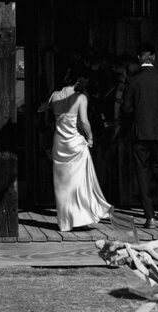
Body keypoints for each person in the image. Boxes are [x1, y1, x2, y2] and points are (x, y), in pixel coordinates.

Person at [38, 72, 111, 231]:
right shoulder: (81, 97)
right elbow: (84, 122)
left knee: (62, 184)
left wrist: (50, 104)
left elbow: (40, 109)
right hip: (75, 143)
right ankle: (80, 219)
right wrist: (90, 138)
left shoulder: (55, 95)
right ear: (77, 80)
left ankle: (65, 222)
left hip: (59, 142)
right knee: (78, 183)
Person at [122, 41, 158, 229]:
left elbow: (126, 109)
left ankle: (150, 217)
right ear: (153, 57)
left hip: (139, 133)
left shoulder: (132, 80)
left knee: (142, 173)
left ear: (140, 59)